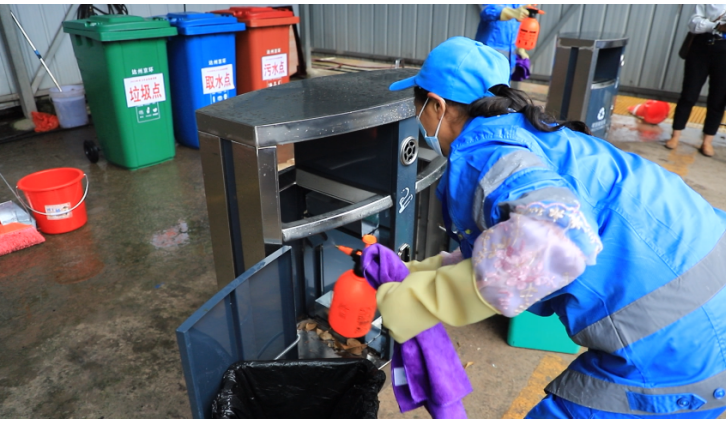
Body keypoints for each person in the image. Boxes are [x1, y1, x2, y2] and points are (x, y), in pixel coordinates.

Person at [374, 36, 726, 418]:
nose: (419, 121)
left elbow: (556, 237)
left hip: (678, 341)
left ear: (436, 105)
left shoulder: (484, 154)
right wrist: (424, 272)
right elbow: (510, 237)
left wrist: (424, 300)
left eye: (419, 108)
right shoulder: (533, 132)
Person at [665, 4, 726, 157]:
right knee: (689, 93)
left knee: (719, 99)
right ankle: (675, 135)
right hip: (702, 47)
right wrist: (717, 25)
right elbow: (693, 24)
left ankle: (707, 141)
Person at [475, 4, 531, 75]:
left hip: (509, 59)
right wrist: (511, 12)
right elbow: (487, 11)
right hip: (488, 56)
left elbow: (519, 25)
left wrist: (520, 49)